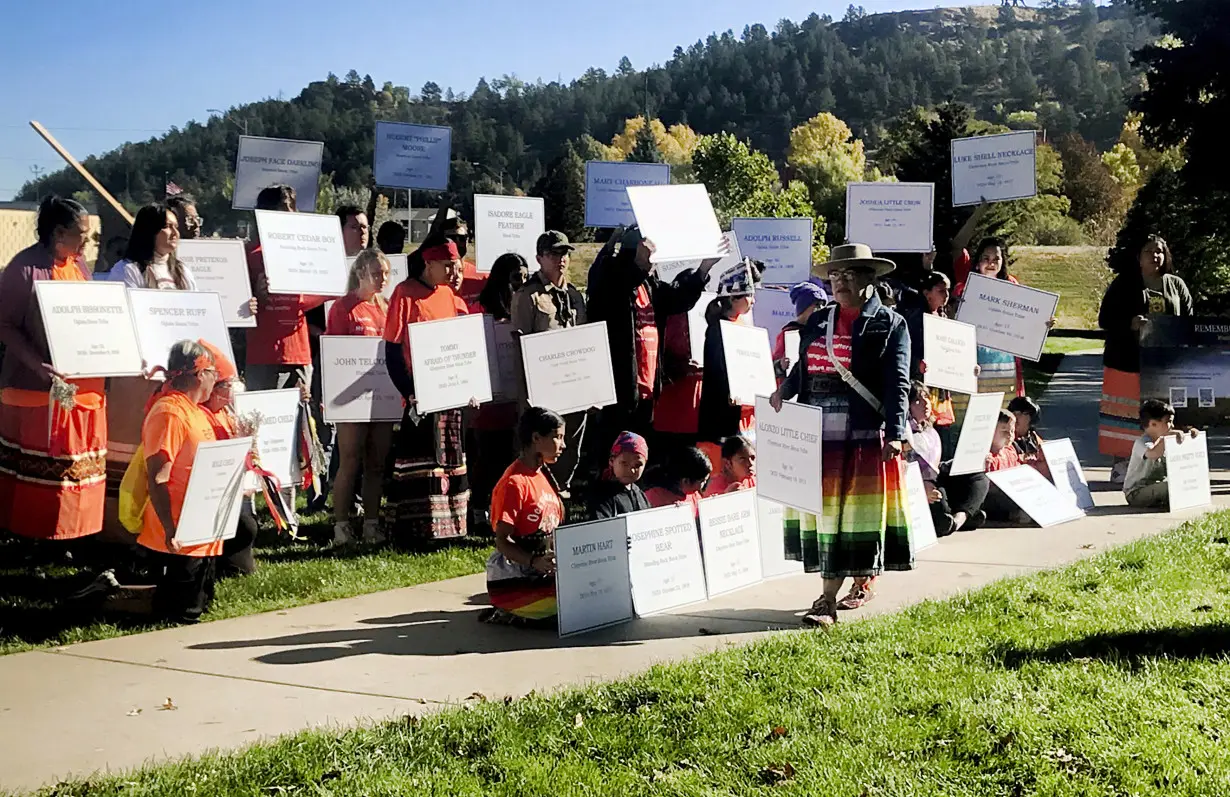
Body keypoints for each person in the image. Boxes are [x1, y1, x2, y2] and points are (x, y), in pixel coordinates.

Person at [769, 243, 912, 627]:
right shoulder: (819, 320)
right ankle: (835, 591)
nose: (840, 283)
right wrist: (785, 389)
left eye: (849, 275)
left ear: (870, 279)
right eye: (834, 275)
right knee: (827, 513)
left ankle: (829, 599)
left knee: (854, 513)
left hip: (861, 426)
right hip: (817, 429)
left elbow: (897, 383)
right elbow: (806, 366)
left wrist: (896, 433)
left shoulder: (891, 324)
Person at [0, 196, 107, 542]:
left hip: (80, 388)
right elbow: (4, 325)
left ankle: (74, 533)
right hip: (34, 389)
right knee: (39, 471)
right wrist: (39, 365)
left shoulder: (79, 265)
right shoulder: (23, 268)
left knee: (72, 467)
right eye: (82, 234)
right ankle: (35, 538)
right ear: (59, 232)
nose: (87, 242)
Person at [588, 227, 723, 451]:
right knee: (617, 455)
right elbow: (611, 288)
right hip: (621, 391)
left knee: (640, 455)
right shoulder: (611, 283)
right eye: (651, 257)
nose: (654, 264)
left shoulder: (648, 285)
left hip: (647, 389)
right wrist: (637, 263)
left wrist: (704, 268)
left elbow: (678, 300)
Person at [383, 236, 471, 546]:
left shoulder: (449, 295)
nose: (452, 272)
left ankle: (452, 526)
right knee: (420, 461)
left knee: (449, 457)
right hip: (420, 394)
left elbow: (460, 345)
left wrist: (469, 383)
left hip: (449, 393)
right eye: (446, 266)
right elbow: (392, 351)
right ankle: (415, 530)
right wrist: (409, 391)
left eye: (455, 266)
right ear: (428, 264)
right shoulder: (404, 294)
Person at [1098, 235, 1193, 483]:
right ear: (1138, 258)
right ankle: (1123, 466)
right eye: (1149, 251)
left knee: (1162, 415)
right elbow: (1105, 319)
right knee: (1125, 415)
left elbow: (1190, 322)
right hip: (1126, 362)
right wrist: (1129, 324)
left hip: (1164, 365)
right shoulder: (1124, 284)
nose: (1155, 255)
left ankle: (1162, 466)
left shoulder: (1177, 285)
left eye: (1160, 251)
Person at [137, 340, 221, 622]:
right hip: (176, 536)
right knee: (182, 614)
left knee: (199, 606)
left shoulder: (195, 410)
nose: (216, 380)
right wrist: (170, 528)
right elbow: (158, 477)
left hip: (199, 530)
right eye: (214, 373)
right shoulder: (170, 412)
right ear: (201, 375)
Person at [511, 231, 589, 494]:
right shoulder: (528, 296)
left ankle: (561, 489)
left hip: (574, 381)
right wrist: (527, 393)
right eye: (554, 254)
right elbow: (519, 344)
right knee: (541, 443)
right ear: (539, 258)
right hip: (542, 385)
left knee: (571, 442)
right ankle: (535, 493)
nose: (561, 259)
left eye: (565, 253)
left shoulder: (575, 295)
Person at [326, 250, 393, 546]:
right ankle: (341, 526)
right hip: (350, 396)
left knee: (376, 463)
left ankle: (371, 524)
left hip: (381, 394)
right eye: (377, 273)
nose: (383, 279)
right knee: (350, 459)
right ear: (361, 272)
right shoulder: (343, 308)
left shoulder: (386, 307)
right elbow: (333, 354)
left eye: (387, 274)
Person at [480, 407, 566, 628]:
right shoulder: (514, 483)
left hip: (544, 570)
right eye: (557, 437)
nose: (563, 445)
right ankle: (511, 609)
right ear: (536, 438)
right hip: (517, 578)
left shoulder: (544, 475)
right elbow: (502, 540)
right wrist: (534, 562)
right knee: (575, 608)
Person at [469, 253, 530, 528]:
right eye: (517, 277)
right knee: (489, 456)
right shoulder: (479, 312)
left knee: (511, 456)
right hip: (490, 398)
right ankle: (479, 508)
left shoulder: (526, 307)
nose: (521, 283)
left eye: (526, 277)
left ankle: (505, 510)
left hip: (517, 397)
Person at [196, 339, 259, 577]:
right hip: (208, 497)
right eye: (226, 385)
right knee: (244, 524)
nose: (230, 391)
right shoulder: (196, 415)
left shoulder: (224, 412)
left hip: (229, 493)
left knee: (247, 523)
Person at [697, 260, 762, 466]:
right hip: (721, 416)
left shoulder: (741, 324)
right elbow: (720, 371)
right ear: (734, 298)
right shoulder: (718, 329)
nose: (753, 301)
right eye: (750, 296)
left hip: (740, 414)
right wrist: (735, 389)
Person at [906, 381, 988, 535]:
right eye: (918, 400)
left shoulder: (930, 429)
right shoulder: (904, 432)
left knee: (978, 476)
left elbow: (937, 466)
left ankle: (960, 517)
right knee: (940, 505)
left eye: (927, 397)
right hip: (919, 482)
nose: (926, 403)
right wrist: (921, 485)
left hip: (936, 477)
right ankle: (965, 514)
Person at [905, 270, 961, 455]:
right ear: (927, 293)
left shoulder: (944, 317)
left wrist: (966, 367)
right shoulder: (914, 319)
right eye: (941, 291)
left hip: (940, 387)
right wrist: (916, 364)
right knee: (926, 430)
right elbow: (905, 350)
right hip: (923, 387)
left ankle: (940, 472)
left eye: (948, 291)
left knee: (942, 434)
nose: (946, 296)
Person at [1124, 399, 1198, 510]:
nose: (1172, 426)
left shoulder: (1164, 441)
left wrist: (1190, 435)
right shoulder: (1141, 443)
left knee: (1185, 482)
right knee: (1171, 486)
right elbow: (1153, 453)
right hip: (1136, 492)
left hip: (1158, 486)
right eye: (1169, 422)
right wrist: (1167, 438)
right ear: (1153, 424)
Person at [107, 203, 195, 290]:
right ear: (149, 230)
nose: (175, 233)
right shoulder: (126, 270)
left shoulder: (182, 270)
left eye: (176, 227)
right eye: (167, 226)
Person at [587, 431, 651, 520]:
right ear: (612, 461)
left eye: (637, 465)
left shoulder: (640, 494)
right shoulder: (602, 495)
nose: (631, 470)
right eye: (624, 463)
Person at [772, 282, 827, 383]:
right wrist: (780, 365)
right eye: (817, 305)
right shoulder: (789, 333)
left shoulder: (821, 332)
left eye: (823, 305)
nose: (821, 309)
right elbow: (772, 367)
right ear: (803, 307)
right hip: (789, 387)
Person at [644, 446, 711, 516]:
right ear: (685, 481)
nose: (705, 483)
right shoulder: (653, 497)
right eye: (702, 481)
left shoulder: (693, 494)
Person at [1008, 395, 1050, 480]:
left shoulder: (1033, 436)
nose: (1014, 417)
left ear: (1031, 417)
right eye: (1012, 413)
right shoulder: (1007, 438)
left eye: (1019, 413)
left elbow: (1047, 454)